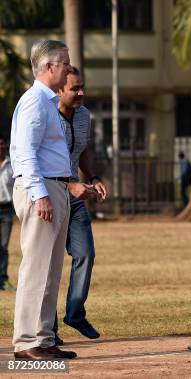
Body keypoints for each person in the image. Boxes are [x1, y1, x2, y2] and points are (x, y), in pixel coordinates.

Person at [10, 40, 76, 360]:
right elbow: (25, 152)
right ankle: (25, 342)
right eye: (64, 62)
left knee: (50, 270)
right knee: (35, 268)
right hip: (42, 189)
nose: (68, 67)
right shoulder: (35, 101)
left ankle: (44, 336)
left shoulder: (48, 103)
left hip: (56, 187)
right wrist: (40, 195)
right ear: (49, 67)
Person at [53, 66, 107, 345]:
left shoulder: (84, 115)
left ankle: (75, 313)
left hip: (75, 196)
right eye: (74, 88)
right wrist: (66, 185)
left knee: (86, 253)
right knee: (48, 264)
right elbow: (34, 160)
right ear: (59, 89)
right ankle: (46, 326)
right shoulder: (46, 115)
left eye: (81, 87)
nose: (81, 93)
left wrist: (92, 177)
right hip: (49, 196)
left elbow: (82, 149)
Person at [0, 135, 15, 291]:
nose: (0, 147)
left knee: (3, 247)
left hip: (7, 210)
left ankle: (3, 280)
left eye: (2, 144)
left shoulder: (12, 165)